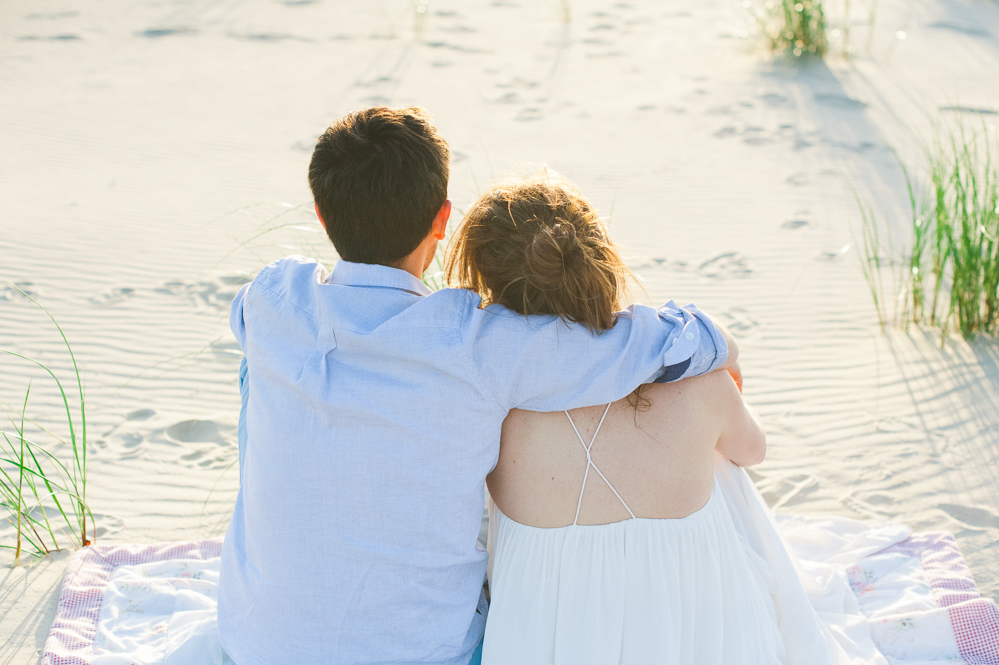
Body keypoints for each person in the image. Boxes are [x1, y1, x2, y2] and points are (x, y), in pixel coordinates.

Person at [217, 107, 739, 665]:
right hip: (427, 657)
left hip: (255, 649)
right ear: (441, 221)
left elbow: (246, 314)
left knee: (259, 358)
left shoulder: (276, 295)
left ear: (321, 214)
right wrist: (720, 342)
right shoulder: (479, 341)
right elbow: (642, 347)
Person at [445, 173, 788, 664]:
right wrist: (719, 362)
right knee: (720, 456)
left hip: (548, 640)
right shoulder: (697, 382)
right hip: (689, 633)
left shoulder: (489, 409)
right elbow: (754, 451)